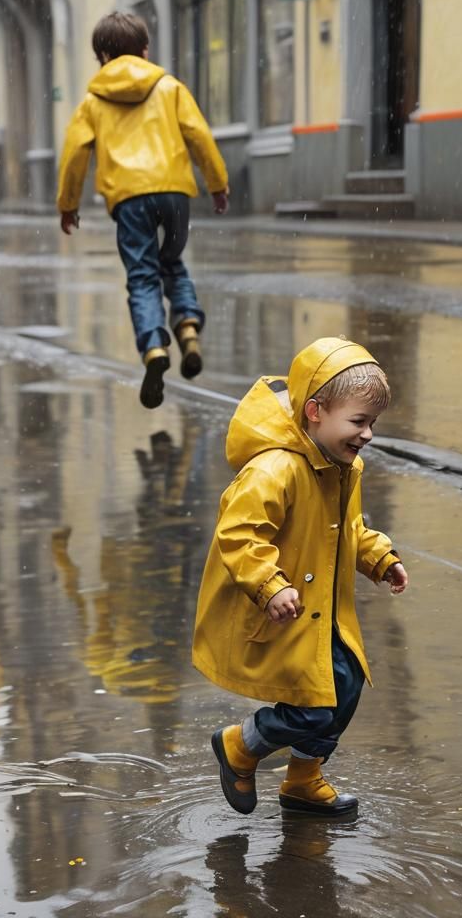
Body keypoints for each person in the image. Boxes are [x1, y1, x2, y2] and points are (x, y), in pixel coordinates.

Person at [192, 337, 409, 818]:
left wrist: (378, 557)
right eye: (358, 422)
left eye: (372, 423)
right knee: (312, 705)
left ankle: (303, 779)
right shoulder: (275, 470)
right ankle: (239, 746)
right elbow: (240, 534)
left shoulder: (343, 466)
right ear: (315, 411)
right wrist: (271, 585)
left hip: (323, 612)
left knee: (345, 690)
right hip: (286, 611)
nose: (368, 434)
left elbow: (350, 528)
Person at [56, 11, 230, 409]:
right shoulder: (169, 87)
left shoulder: (93, 100)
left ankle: (154, 346)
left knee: (142, 275)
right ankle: (187, 328)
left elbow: (74, 156)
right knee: (173, 263)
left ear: (101, 55)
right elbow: (199, 136)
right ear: (145, 49)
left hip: (129, 198)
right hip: (174, 194)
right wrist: (217, 184)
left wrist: (68, 205)